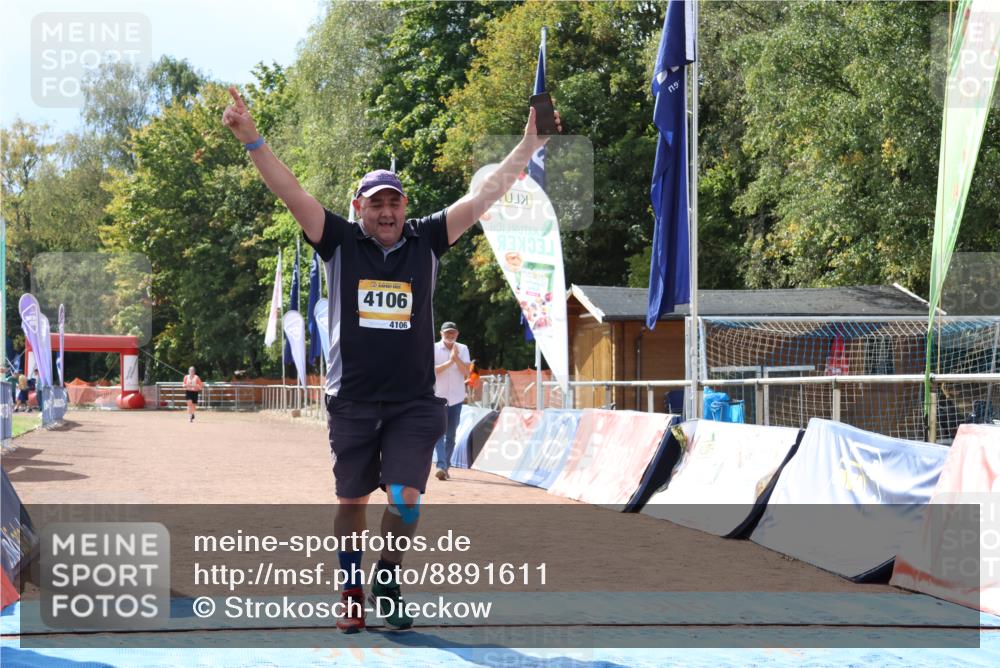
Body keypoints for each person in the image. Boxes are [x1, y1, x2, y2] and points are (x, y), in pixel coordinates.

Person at [223, 85, 559, 633]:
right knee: (351, 499)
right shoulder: (336, 240)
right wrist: (253, 139)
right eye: (374, 202)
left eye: (393, 202)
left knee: (405, 498)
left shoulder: (428, 240)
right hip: (351, 400)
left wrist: (528, 143)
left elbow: (485, 196)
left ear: (405, 207)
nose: (385, 211)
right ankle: (351, 588)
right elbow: (292, 194)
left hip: (411, 402)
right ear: (359, 208)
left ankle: (387, 576)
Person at [432, 322, 470, 480]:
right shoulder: (433, 348)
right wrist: (450, 362)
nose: (450, 335)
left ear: (457, 334)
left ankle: (445, 466)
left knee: (451, 435)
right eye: (447, 333)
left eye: (453, 333)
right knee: (438, 432)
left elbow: (466, 372)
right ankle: (441, 465)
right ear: (441, 334)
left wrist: (456, 358)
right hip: (438, 396)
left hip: (456, 397)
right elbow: (432, 371)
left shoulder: (463, 348)